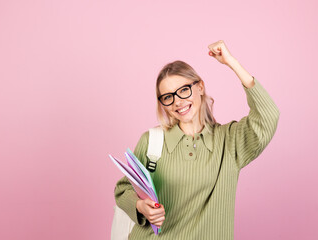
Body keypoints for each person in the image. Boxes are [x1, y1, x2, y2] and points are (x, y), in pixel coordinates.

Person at [114, 40, 280, 240]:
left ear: (200, 87)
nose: (178, 101)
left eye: (184, 90)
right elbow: (123, 189)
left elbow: (268, 115)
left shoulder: (229, 142)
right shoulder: (152, 141)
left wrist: (231, 62)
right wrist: (140, 206)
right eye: (167, 97)